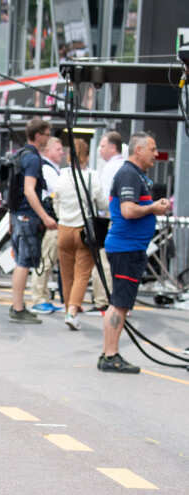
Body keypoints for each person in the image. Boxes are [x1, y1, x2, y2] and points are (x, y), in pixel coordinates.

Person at [98, 132, 170, 373]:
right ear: (138, 150)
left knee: (120, 302)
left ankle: (109, 353)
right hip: (126, 248)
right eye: (152, 148)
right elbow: (128, 210)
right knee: (119, 303)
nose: (156, 153)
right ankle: (110, 355)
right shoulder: (129, 173)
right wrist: (154, 208)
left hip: (129, 248)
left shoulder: (135, 174)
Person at [54, 139, 108, 331]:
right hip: (84, 231)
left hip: (63, 229)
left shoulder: (62, 176)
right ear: (86, 155)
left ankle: (69, 307)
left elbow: (56, 202)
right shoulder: (91, 177)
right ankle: (72, 311)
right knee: (82, 274)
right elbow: (102, 205)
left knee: (66, 275)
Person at [9, 118, 57, 324]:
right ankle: (18, 308)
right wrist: (46, 217)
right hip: (28, 215)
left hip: (18, 214)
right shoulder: (33, 159)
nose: (49, 138)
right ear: (39, 136)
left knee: (21, 261)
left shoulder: (21, 154)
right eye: (47, 134)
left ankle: (17, 305)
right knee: (24, 262)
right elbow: (29, 190)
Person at [87, 131, 125, 316]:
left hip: (109, 218)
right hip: (122, 220)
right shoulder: (125, 165)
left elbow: (103, 198)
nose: (100, 150)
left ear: (113, 147)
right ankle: (115, 301)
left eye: (102, 146)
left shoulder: (111, 168)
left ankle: (103, 302)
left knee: (103, 261)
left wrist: (99, 216)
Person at [31, 136, 64, 314]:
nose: (62, 153)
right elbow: (58, 190)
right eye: (58, 149)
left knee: (48, 262)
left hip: (51, 221)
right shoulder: (47, 168)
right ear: (48, 151)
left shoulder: (53, 168)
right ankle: (38, 298)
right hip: (49, 221)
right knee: (45, 261)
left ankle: (42, 297)